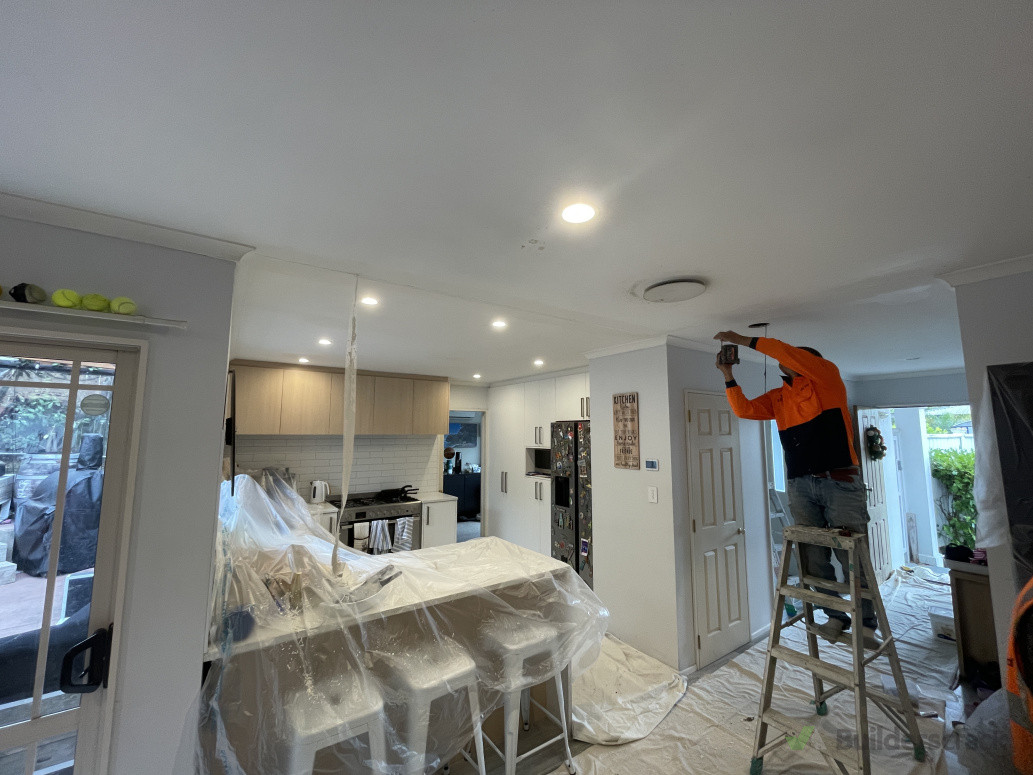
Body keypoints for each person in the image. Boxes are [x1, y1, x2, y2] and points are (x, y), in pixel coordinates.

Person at [713, 330, 879, 647]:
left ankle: (867, 622)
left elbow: (784, 352)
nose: (790, 361)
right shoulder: (779, 397)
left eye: (795, 359)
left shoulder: (827, 378)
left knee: (852, 556)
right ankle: (835, 616)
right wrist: (728, 376)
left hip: (840, 480)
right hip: (801, 485)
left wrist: (741, 339)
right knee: (813, 557)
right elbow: (744, 410)